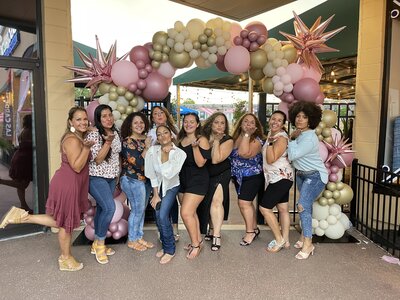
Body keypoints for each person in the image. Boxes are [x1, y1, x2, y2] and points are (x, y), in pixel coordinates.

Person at [0, 107, 94, 271]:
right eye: (78, 119)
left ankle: (23, 217)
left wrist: (90, 136)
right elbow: (77, 167)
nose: (83, 122)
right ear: (70, 121)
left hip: (71, 183)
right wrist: (86, 148)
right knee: (65, 224)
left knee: (61, 221)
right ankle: (65, 258)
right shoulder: (72, 139)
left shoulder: (78, 137)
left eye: (85, 119)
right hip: (68, 184)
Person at [287, 101, 328, 260]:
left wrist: (291, 139)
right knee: (307, 206)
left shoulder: (309, 137)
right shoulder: (301, 134)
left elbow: (292, 156)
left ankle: (308, 244)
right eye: (297, 116)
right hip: (302, 175)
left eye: (304, 117)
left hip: (315, 176)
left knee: (302, 206)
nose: (300, 119)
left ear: (310, 120)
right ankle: (303, 237)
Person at [145, 125, 186, 264]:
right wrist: (155, 195)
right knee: (157, 215)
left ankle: (170, 250)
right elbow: (151, 174)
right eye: (159, 134)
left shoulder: (180, 153)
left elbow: (169, 173)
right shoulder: (152, 150)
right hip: (158, 187)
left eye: (165, 133)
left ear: (171, 135)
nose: (163, 136)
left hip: (172, 186)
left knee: (163, 215)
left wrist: (167, 154)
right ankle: (165, 244)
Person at [86, 104, 121, 265]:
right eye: (104, 116)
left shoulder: (115, 132)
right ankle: (100, 244)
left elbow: (116, 156)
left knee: (102, 208)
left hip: (112, 177)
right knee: (109, 208)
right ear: (98, 119)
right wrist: (107, 142)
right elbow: (98, 160)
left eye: (110, 115)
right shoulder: (93, 134)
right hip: (96, 177)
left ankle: (96, 244)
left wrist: (118, 175)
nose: (108, 119)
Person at [259, 110, 294, 253]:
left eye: (279, 120)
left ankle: (279, 239)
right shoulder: (272, 136)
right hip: (279, 177)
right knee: (283, 209)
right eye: (273, 119)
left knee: (264, 208)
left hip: (281, 178)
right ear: (269, 120)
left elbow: (271, 159)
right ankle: (285, 240)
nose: (275, 122)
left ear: (283, 124)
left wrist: (271, 144)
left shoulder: (280, 138)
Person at [198, 112, 233, 251]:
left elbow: (216, 159)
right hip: (206, 174)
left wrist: (217, 141)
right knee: (207, 202)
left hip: (221, 173)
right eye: (216, 122)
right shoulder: (203, 137)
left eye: (222, 123)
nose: (219, 125)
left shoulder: (228, 140)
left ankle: (217, 235)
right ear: (211, 123)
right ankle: (211, 229)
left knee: (216, 202)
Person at [177, 113, 210, 259]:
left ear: (197, 124)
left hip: (198, 180)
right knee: (191, 213)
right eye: (186, 121)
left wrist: (195, 148)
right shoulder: (180, 139)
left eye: (192, 122)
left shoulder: (201, 139)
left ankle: (196, 245)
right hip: (182, 180)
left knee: (185, 213)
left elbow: (201, 163)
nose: (188, 124)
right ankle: (197, 241)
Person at [120, 112, 153, 252]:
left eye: (141, 122)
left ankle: (138, 236)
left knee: (141, 210)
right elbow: (138, 163)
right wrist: (146, 147)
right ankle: (132, 240)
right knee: (137, 210)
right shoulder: (128, 141)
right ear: (130, 126)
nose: (139, 125)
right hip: (132, 179)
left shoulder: (147, 139)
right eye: (135, 123)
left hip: (146, 180)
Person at [231, 113, 264, 246]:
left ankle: (250, 232)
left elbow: (244, 153)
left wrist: (246, 135)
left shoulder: (256, 140)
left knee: (244, 203)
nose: (248, 124)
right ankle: (254, 228)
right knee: (246, 204)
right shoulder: (234, 138)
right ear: (241, 123)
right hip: (238, 177)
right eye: (246, 121)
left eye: (252, 122)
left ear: (256, 127)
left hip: (252, 176)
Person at [148, 105, 180, 242]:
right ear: (152, 118)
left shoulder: (174, 129)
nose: (159, 115)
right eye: (156, 114)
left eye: (161, 113)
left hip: (174, 171)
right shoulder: (151, 133)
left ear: (166, 115)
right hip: (159, 174)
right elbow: (150, 153)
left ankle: (175, 228)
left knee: (173, 202)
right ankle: (163, 230)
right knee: (161, 202)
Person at [0, 114, 33, 213]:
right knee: (23, 184)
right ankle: (1, 181)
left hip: (20, 157)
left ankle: (24, 205)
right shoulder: (29, 131)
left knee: (20, 183)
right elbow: (31, 143)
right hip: (24, 159)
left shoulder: (24, 130)